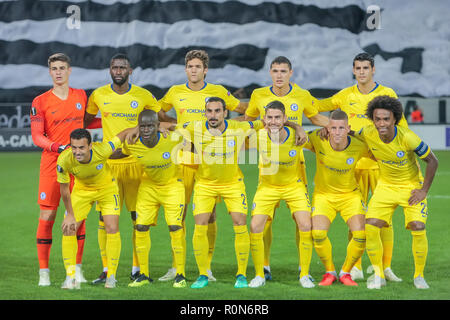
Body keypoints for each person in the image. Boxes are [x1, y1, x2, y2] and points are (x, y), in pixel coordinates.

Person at [156, 49, 249, 282]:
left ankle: (206, 267)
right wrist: (173, 123)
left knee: (209, 215)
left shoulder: (217, 92)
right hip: (185, 158)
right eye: (190, 67)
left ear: (205, 70)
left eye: (198, 67)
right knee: (181, 213)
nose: (193, 70)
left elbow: (245, 110)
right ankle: (176, 266)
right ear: (186, 69)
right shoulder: (176, 92)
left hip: (211, 159)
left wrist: (230, 124)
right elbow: (157, 111)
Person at [315, 52, 407, 282]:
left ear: (373, 69)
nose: (362, 72)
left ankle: (385, 267)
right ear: (354, 70)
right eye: (358, 68)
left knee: (384, 219)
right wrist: (330, 125)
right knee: (353, 217)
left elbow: (402, 128)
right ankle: (353, 266)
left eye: (366, 67)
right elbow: (313, 107)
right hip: (353, 166)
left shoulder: (388, 94)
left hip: (380, 165)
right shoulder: (344, 95)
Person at [244, 56, 328, 281]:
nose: (279, 75)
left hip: (295, 165)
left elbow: (316, 117)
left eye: (283, 71)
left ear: (291, 73)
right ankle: (265, 266)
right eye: (275, 71)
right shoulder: (258, 95)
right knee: (265, 221)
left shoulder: (302, 95)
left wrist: (341, 128)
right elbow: (249, 119)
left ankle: (304, 269)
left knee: (301, 221)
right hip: (267, 168)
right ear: (269, 73)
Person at [84, 53, 161, 284]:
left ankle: (137, 268)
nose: (118, 71)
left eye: (123, 68)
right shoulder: (98, 95)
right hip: (109, 167)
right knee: (103, 219)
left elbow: (160, 118)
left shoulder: (143, 95)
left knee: (138, 217)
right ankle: (107, 269)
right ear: (110, 69)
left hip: (137, 165)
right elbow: (85, 122)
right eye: (115, 67)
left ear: (130, 70)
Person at [172, 96, 262, 289]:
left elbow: (266, 122)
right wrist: (156, 127)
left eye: (217, 111)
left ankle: (241, 274)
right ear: (205, 113)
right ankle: (203, 274)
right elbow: (171, 127)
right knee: (200, 224)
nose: (213, 115)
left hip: (233, 184)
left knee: (240, 223)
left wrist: (296, 127)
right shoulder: (195, 128)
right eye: (209, 111)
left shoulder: (239, 128)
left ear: (225, 113)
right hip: (205, 185)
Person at [354, 96, 438, 289]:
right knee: (371, 225)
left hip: (410, 186)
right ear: (372, 120)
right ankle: (378, 274)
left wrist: (423, 190)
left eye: (386, 119)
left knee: (417, 226)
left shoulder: (407, 137)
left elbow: (433, 161)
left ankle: (419, 276)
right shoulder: (367, 132)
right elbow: (350, 134)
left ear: (394, 119)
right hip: (385, 186)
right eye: (377, 119)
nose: (381, 123)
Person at [30, 53, 95, 286]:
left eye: (62, 68)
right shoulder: (40, 101)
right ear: (50, 72)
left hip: (77, 164)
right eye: (54, 68)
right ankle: (44, 273)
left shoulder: (80, 96)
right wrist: (58, 146)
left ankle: (77, 270)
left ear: (70, 70)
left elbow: (88, 123)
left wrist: (113, 121)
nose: (58, 72)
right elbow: (37, 136)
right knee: (47, 216)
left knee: (78, 216)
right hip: (51, 164)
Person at [247, 101, 314, 289]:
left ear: (285, 119)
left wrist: (298, 127)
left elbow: (322, 143)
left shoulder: (297, 137)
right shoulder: (257, 136)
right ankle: (260, 274)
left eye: (278, 117)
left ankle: (305, 274)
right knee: (255, 226)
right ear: (264, 120)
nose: (274, 121)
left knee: (305, 224)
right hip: (267, 188)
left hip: (294, 186)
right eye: (270, 117)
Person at [58, 127, 133, 289]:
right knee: (68, 228)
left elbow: (122, 134)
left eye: (81, 147)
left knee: (112, 227)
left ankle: (111, 276)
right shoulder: (64, 160)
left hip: (107, 189)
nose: (77, 152)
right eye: (74, 147)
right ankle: (70, 277)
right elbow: (64, 188)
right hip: (82, 191)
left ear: (90, 146)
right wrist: (70, 214)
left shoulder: (103, 150)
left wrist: (138, 129)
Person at [122, 110, 187, 288]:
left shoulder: (171, 139)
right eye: (142, 126)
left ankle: (180, 274)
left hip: (172, 186)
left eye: (150, 125)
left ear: (157, 126)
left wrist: (170, 126)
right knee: (140, 227)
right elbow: (118, 153)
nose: (146, 130)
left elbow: (189, 134)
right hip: (148, 187)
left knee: (175, 227)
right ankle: (143, 274)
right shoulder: (133, 144)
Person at [305, 110, 368, 287]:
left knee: (361, 235)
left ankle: (346, 272)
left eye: (341, 128)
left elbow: (380, 154)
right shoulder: (318, 139)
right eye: (333, 128)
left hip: (350, 196)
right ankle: (330, 272)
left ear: (348, 128)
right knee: (317, 234)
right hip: (324, 196)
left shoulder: (359, 145)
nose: (337, 132)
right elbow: (297, 137)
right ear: (328, 128)